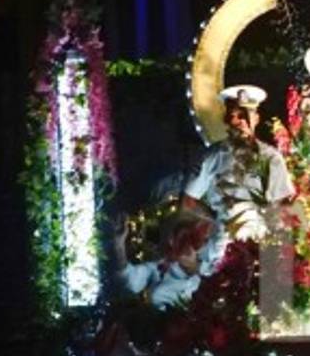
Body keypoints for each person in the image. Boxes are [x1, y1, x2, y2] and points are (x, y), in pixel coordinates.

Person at [182, 85, 295, 262]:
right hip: (223, 244)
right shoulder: (213, 155)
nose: (236, 121)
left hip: (261, 240)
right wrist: (216, 219)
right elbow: (188, 201)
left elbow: (281, 204)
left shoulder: (272, 157)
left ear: (255, 118)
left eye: (242, 115)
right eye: (231, 116)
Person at [117, 213, 214, 310]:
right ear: (171, 241)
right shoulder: (158, 268)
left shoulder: (212, 269)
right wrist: (119, 246)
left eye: (192, 240)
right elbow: (130, 281)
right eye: (181, 239)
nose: (186, 246)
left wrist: (196, 269)